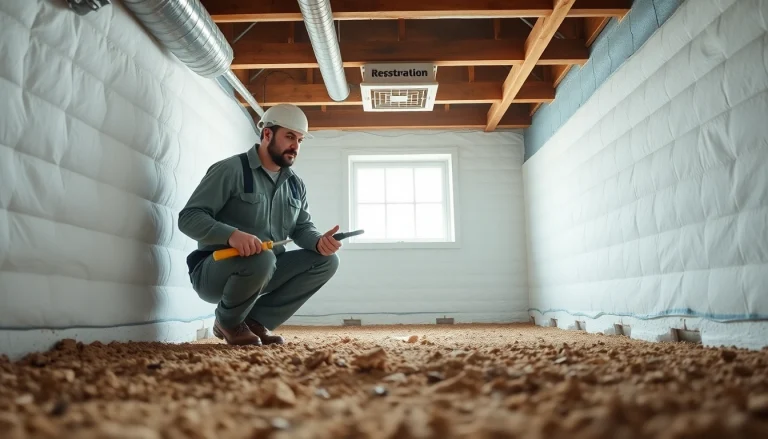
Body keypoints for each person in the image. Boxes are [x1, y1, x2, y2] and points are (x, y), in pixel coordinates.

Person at [178, 104, 341, 346]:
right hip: (214, 270)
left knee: (327, 262)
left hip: (267, 267)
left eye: (300, 139)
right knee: (263, 258)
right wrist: (231, 235)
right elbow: (189, 217)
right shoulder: (230, 170)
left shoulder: (295, 184)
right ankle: (228, 322)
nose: (295, 146)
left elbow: (301, 228)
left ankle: (254, 321)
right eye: (289, 136)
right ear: (267, 135)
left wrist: (319, 242)